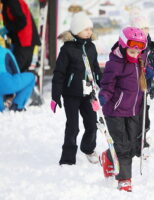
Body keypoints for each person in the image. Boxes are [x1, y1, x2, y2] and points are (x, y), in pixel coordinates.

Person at [98, 27, 147, 192]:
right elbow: (107, 84)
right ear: (123, 46)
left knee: (132, 145)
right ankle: (124, 180)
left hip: (133, 111)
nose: (135, 55)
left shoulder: (140, 62)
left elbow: (143, 78)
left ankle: (108, 156)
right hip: (115, 111)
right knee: (123, 145)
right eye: (132, 52)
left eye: (138, 52)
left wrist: (150, 74)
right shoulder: (114, 64)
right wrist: (103, 96)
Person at [51, 12, 102, 165]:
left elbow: (95, 69)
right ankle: (67, 157)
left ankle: (88, 148)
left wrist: (103, 85)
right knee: (73, 127)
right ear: (76, 30)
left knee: (92, 124)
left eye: (90, 29)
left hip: (88, 93)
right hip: (71, 94)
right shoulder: (67, 49)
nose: (89, 32)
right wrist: (55, 95)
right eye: (86, 29)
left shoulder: (91, 47)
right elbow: (59, 73)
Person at [130, 14, 154, 157]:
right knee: (132, 117)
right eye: (140, 28)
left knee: (144, 117)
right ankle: (131, 143)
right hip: (129, 90)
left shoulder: (153, 47)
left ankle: (142, 142)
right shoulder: (129, 46)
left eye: (146, 27)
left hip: (145, 88)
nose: (144, 31)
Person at [0, 37, 35, 113]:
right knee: (31, 77)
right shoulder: (5, 51)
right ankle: (17, 105)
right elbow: (16, 72)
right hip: (4, 83)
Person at [0, 0, 41, 72]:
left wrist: (8, 28)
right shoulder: (6, 3)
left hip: (25, 41)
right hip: (21, 42)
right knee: (18, 70)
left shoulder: (12, 2)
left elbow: (22, 21)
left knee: (16, 70)